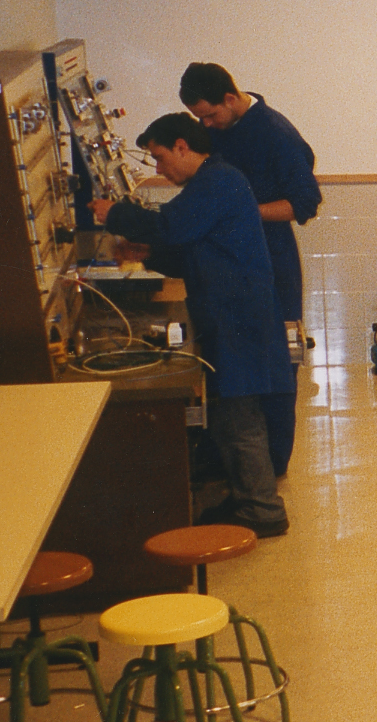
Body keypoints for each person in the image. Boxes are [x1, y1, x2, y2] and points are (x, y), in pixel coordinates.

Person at [91, 114, 293, 538]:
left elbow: (170, 227)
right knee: (230, 414)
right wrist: (145, 254)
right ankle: (246, 496)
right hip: (231, 312)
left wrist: (116, 214)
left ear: (182, 146)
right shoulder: (213, 181)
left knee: (240, 416)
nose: (159, 168)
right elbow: (191, 251)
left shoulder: (217, 180)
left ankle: (263, 510)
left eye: (160, 157)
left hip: (238, 316)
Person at [180, 63, 321, 480]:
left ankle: (272, 467)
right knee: (233, 365)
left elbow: (304, 204)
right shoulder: (220, 128)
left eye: (210, 116)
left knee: (275, 365)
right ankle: (234, 460)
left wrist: (243, 212)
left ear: (230, 98)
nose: (206, 126)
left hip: (272, 262)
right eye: (200, 119)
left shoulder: (275, 134)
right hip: (230, 263)